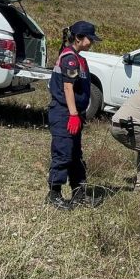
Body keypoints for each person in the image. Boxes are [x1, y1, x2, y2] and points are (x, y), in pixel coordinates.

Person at [46, 21, 103, 210]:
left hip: (74, 113)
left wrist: (78, 114)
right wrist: (72, 114)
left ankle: (79, 193)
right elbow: (68, 87)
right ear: (78, 38)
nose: (91, 43)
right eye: (89, 39)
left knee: (76, 155)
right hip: (64, 113)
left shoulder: (80, 59)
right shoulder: (69, 58)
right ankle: (54, 194)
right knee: (63, 153)